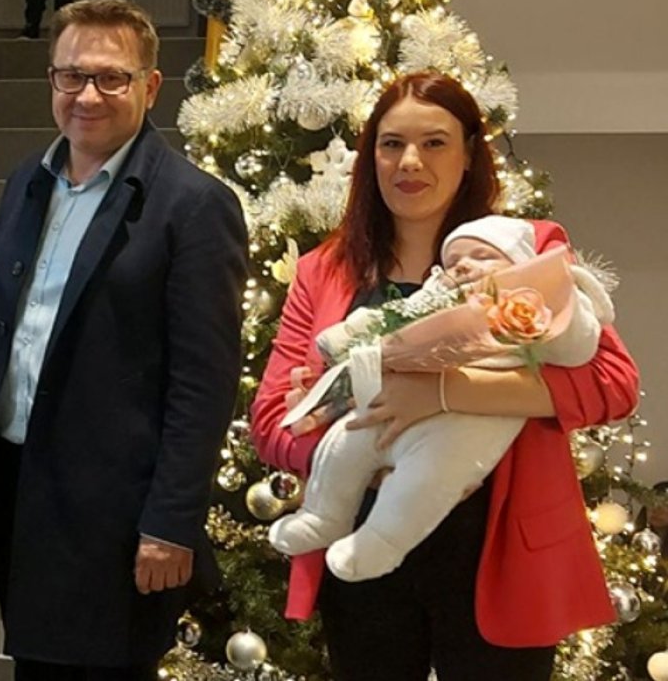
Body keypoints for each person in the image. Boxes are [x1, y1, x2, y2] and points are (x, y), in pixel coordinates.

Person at [249, 71, 640, 681]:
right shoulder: (324, 270)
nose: (410, 161)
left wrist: (440, 393)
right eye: (391, 144)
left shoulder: (522, 250)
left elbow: (612, 384)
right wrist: (332, 436)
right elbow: (271, 420)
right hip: (363, 551)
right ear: (371, 157)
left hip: (496, 552)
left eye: (434, 143)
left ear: (468, 155)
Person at [0, 0, 247, 678]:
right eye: (71, 75)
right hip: (22, 481)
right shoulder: (27, 182)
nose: (87, 95)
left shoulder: (194, 206)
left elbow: (204, 385)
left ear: (150, 87)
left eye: (111, 77)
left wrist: (171, 520)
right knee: (36, 664)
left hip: (117, 510)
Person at [270, 214, 616, 582]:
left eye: (482, 256)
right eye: (454, 261)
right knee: (344, 443)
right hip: (384, 414)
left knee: (427, 478)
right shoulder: (423, 293)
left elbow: (604, 375)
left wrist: (562, 299)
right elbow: (385, 319)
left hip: (467, 445)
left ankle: (380, 542)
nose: (464, 265)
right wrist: (340, 346)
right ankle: (322, 517)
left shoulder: (530, 286)